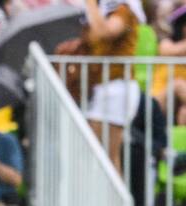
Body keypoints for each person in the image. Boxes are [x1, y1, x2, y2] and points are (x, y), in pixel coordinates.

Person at [58, 0, 143, 176]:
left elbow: (104, 33)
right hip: (100, 89)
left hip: (117, 87)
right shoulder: (102, 11)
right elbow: (94, 40)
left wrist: (90, 3)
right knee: (98, 155)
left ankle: (116, 203)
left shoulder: (124, 9)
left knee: (107, 157)